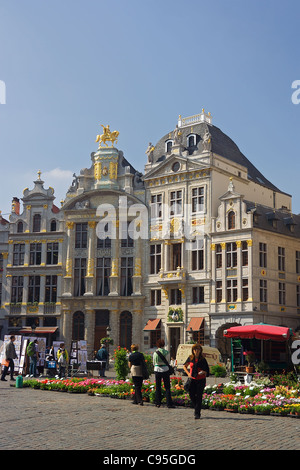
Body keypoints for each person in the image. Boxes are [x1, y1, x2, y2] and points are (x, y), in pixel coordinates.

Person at [183, 343, 209, 419]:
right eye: (195, 349)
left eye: (198, 349)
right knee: (191, 395)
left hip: (200, 380)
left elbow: (207, 370)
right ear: (193, 350)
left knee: (199, 396)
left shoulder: (203, 359)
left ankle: (197, 413)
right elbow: (184, 366)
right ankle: (196, 407)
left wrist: (203, 372)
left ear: (200, 350)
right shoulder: (190, 358)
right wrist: (188, 373)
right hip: (192, 380)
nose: (196, 351)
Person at [153, 338, 175, 408]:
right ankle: (169, 403)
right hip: (165, 369)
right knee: (167, 387)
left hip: (157, 369)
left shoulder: (155, 353)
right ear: (163, 345)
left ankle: (158, 402)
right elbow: (168, 361)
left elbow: (154, 362)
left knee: (158, 386)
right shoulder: (166, 352)